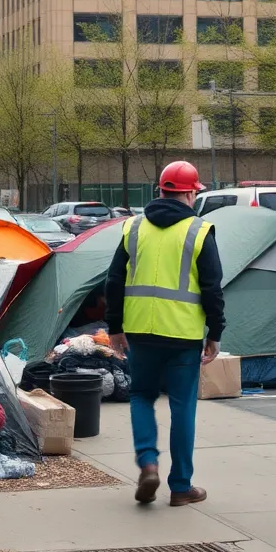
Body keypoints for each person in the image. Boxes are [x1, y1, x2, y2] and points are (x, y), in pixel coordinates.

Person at [106, 160, 224, 508]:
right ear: (190, 193)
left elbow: (113, 281)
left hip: (141, 330)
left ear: (160, 190)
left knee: (141, 396)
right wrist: (215, 332)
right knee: (182, 406)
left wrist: (114, 327)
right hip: (183, 335)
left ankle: (148, 464)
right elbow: (212, 288)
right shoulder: (200, 231)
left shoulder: (133, 227)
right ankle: (180, 486)